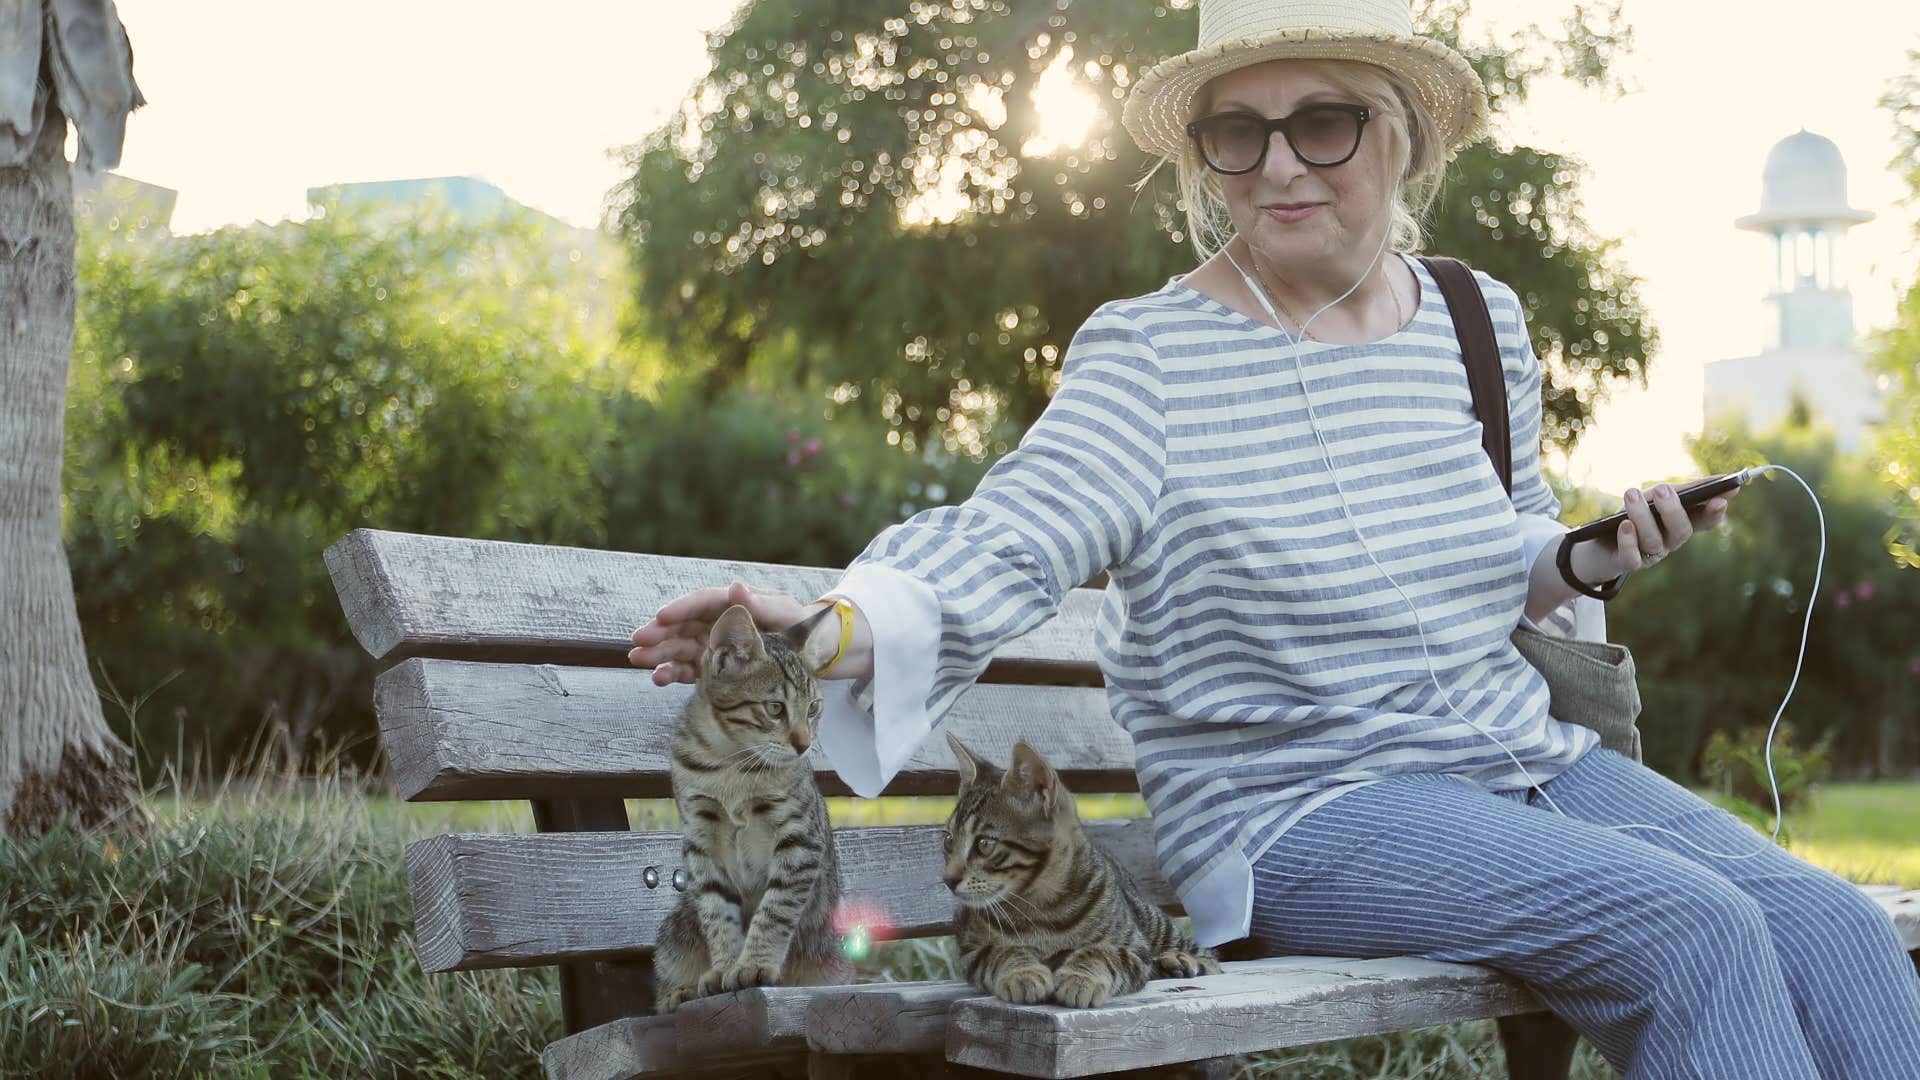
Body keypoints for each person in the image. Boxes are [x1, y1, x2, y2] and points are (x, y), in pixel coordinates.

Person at [629, 1, 1920, 1073]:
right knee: (1688, 927)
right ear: (1200, 158)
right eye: (1236, 134)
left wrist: (1590, 555)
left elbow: (1508, 539)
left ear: (1401, 137)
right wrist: (833, 632)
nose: (1280, 166)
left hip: (1516, 758)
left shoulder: (1477, 318)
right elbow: (1016, 529)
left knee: (1835, 928)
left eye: (1322, 122)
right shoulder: (1153, 357)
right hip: (1301, 810)